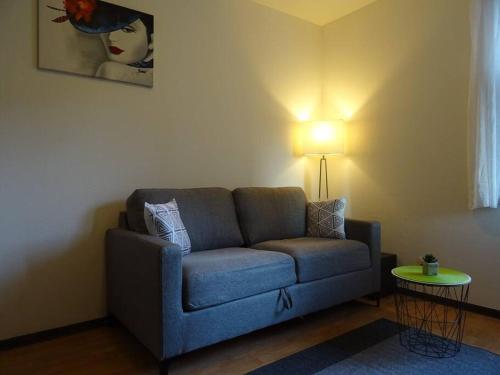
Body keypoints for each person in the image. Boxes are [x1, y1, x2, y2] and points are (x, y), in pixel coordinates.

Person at [54, 0, 154, 86]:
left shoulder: (111, 70)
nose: (111, 37)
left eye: (127, 30)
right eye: (106, 29)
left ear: (153, 38)